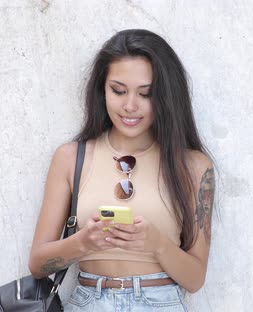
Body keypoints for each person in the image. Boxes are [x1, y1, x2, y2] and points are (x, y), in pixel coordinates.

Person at [28, 29, 215, 311]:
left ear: (165, 96)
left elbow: (195, 279)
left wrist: (156, 244)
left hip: (161, 302)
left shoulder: (194, 167)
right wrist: (83, 242)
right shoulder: (70, 158)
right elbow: (38, 264)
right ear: (102, 90)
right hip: (89, 300)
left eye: (146, 93)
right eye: (118, 90)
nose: (130, 106)